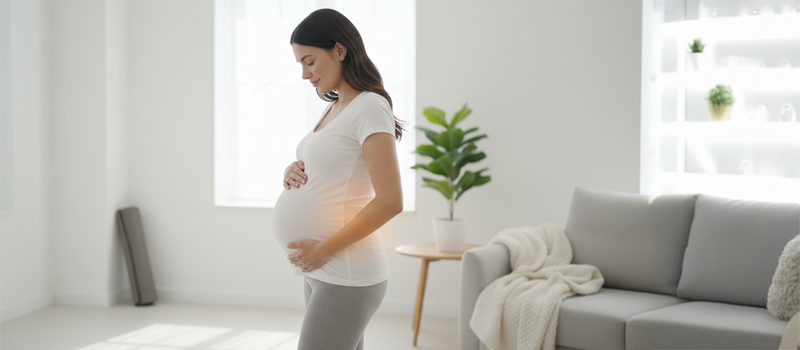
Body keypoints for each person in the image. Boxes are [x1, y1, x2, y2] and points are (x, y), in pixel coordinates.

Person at [271, 8, 406, 350]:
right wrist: (294, 169)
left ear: (339, 50)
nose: (305, 74)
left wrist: (323, 250)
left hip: (344, 269)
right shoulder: (336, 107)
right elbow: (335, 167)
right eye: (300, 64)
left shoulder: (370, 106)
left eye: (310, 61)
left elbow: (391, 201)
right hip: (322, 268)